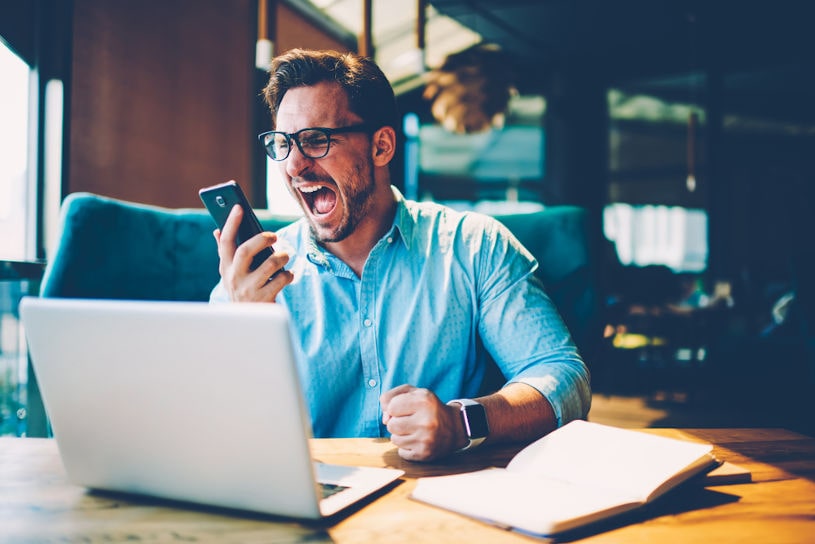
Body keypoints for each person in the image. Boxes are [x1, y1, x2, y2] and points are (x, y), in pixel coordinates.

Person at [210, 49, 591, 462]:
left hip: (439, 502)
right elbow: (205, 422)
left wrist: (461, 424)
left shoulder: (475, 247)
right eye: (282, 143)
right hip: (308, 500)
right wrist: (241, 329)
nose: (295, 166)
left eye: (316, 140)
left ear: (382, 146)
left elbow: (564, 378)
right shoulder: (250, 280)